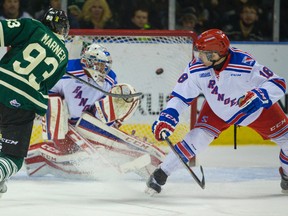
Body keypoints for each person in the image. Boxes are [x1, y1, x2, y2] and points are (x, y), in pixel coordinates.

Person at [146, 29, 288, 194]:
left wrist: (260, 95)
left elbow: (278, 82)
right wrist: (168, 116)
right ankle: (161, 173)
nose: (199, 57)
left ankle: (286, 175)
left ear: (215, 54)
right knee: (198, 137)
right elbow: (180, 95)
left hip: (254, 109)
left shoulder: (244, 63)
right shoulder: (196, 68)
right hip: (218, 108)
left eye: (204, 53)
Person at [24, 44, 165, 180]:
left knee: (127, 94)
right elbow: (45, 90)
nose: (103, 69)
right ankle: (40, 155)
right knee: (53, 107)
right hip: (68, 126)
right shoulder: (67, 70)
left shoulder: (110, 78)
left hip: (90, 122)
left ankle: (139, 155)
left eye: (105, 66)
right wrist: (57, 111)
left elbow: (106, 106)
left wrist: (113, 128)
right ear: (87, 62)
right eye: (100, 65)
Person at [0, 7, 69, 198]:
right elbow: (45, 86)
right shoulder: (63, 55)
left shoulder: (31, 26)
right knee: (12, 157)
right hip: (23, 102)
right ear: (61, 27)